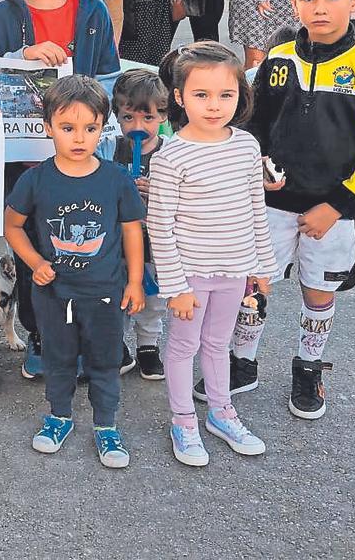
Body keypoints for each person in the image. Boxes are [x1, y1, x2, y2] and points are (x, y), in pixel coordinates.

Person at [0, 0, 122, 381]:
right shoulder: (1, 14)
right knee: (37, 248)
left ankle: (89, 334)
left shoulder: (92, 9)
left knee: (86, 246)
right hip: (27, 162)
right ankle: (41, 337)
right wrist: (21, 58)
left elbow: (107, 74)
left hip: (82, 156)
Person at [242, 0, 355, 420]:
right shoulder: (277, 59)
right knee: (255, 284)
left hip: (331, 212)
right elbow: (254, 124)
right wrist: (257, 163)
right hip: (271, 205)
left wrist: (339, 204)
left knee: (318, 292)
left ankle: (309, 366)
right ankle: (242, 361)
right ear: (294, 0)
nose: (320, 8)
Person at [4, 75, 146, 468]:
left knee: (104, 359)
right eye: (67, 128)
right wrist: (35, 263)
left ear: (104, 127)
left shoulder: (117, 179)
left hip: (105, 293)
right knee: (58, 358)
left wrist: (134, 282)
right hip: (54, 295)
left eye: (90, 128)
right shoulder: (35, 180)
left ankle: (106, 425)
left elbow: (132, 232)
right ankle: (59, 416)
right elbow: (12, 225)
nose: (79, 138)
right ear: (47, 127)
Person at [146, 42, 276, 467]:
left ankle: (222, 412)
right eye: (201, 95)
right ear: (180, 97)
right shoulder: (172, 156)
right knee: (183, 346)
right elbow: (160, 227)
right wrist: (176, 287)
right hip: (191, 276)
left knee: (218, 344)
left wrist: (261, 267)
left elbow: (257, 208)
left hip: (235, 270)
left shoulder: (246, 146)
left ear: (241, 94)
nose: (215, 105)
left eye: (226, 94)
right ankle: (183, 419)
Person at [96, 69, 171, 379]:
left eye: (148, 119)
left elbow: (187, 195)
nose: (138, 127)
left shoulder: (171, 152)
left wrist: (159, 190)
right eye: (128, 118)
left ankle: (148, 345)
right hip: (117, 242)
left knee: (154, 298)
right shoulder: (109, 147)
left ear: (164, 116)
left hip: (156, 242)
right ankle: (116, 344)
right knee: (117, 293)